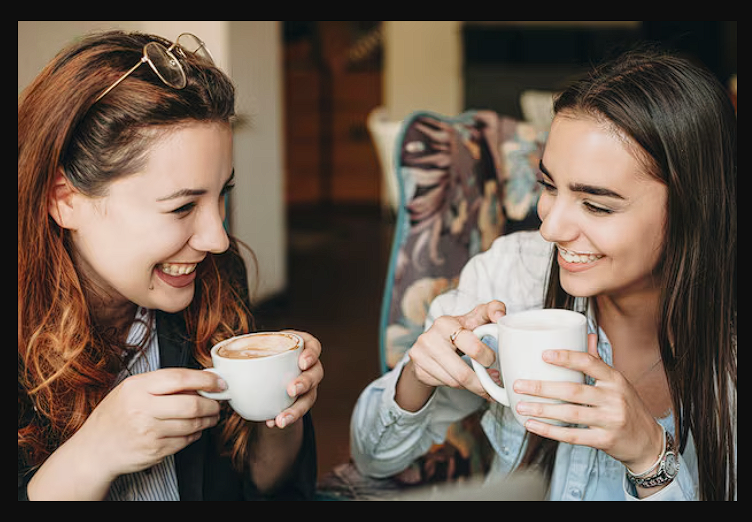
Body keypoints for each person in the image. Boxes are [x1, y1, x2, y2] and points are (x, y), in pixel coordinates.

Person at [351, 50, 736, 501]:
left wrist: (651, 458)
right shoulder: (511, 275)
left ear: (696, 206)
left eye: (596, 204)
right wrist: (418, 375)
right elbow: (372, 459)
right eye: (549, 186)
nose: (550, 229)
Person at [18, 31, 323, 501]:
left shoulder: (216, 280)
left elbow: (261, 488)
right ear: (66, 200)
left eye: (221, 194)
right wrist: (91, 456)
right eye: (182, 207)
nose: (217, 239)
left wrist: (280, 413)